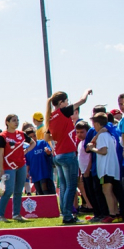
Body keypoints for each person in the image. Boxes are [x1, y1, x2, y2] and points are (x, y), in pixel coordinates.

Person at [47, 89, 92, 224]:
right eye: (66, 101)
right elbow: (82, 101)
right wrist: (86, 91)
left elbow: (47, 136)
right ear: (61, 103)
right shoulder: (63, 112)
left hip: (58, 155)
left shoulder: (51, 116)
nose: (68, 104)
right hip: (67, 154)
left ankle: (65, 214)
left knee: (65, 187)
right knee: (71, 186)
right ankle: (67, 216)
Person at [0, 114, 34, 222]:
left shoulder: (21, 134)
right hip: (8, 166)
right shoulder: (2, 136)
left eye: (17, 120)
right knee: (8, 191)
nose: (16, 122)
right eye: (13, 120)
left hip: (21, 165)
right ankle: (0, 216)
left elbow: (33, 143)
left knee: (18, 191)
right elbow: (0, 154)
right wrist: (1, 169)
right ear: (7, 122)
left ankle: (16, 214)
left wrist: (26, 151)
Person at [88, 113, 122, 222]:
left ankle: (111, 214)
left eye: (94, 124)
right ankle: (116, 213)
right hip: (113, 167)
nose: (93, 126)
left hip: (106, 168)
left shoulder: (102, 136)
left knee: (106, 190)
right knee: (112, 191)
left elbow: (103, 151)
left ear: (97, 123)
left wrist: (92, 148)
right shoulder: (109, 134)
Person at [23, 122, 55, 195]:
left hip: (45, 173)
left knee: (46, 190)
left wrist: (48, 152)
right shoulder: (27, 149)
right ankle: (42, 206)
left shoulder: (42, 143)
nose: (33, 138)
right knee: (39, 192)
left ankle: (51, 205)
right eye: (30, 137)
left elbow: (49, 152)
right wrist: (27, 172)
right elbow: (27, 162)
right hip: (35, 174)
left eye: (34, 135)